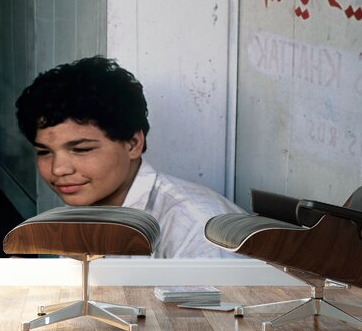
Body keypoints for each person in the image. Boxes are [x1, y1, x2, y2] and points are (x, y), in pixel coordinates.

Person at [15, 55, 244, 258]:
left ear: (133, 143)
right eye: (44, 152)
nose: (58, 169)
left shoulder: (196, 226)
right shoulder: (83, 210)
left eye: (82, 149)